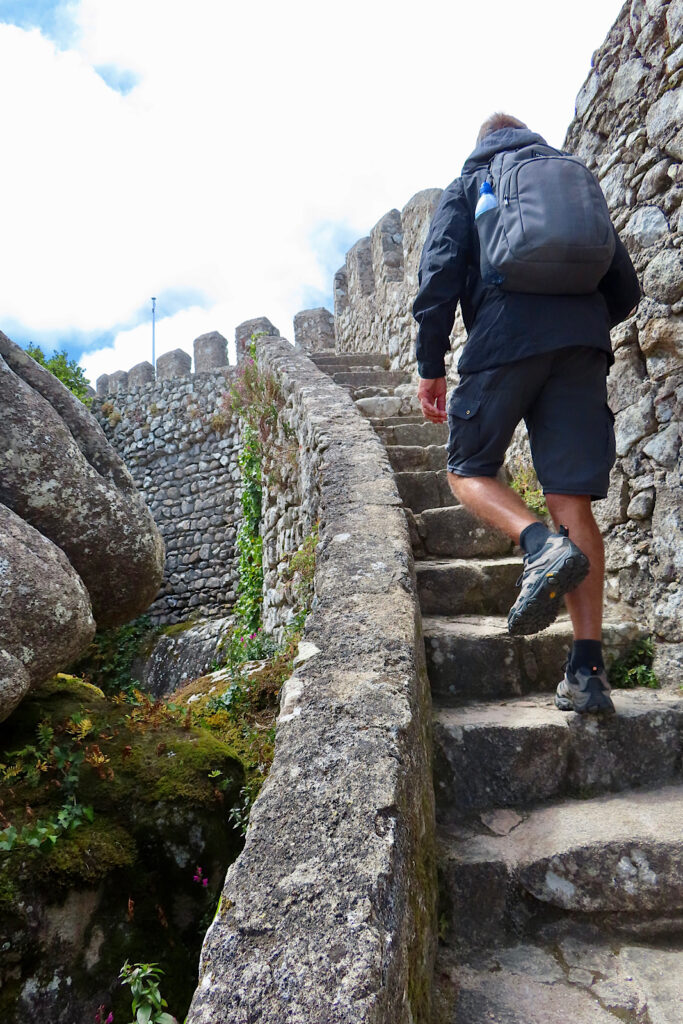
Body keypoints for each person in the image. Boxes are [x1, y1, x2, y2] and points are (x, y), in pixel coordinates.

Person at [413, 112, 641, 715]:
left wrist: (430, 365)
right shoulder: (568, 180)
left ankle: (538, 544)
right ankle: (588, 673)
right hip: (582, 343)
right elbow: (625, 285)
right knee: (572, 498)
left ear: (483, 142)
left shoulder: (472, 182)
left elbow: (438, 275)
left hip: (505, 338)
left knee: (466, 470)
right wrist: (580, 330)